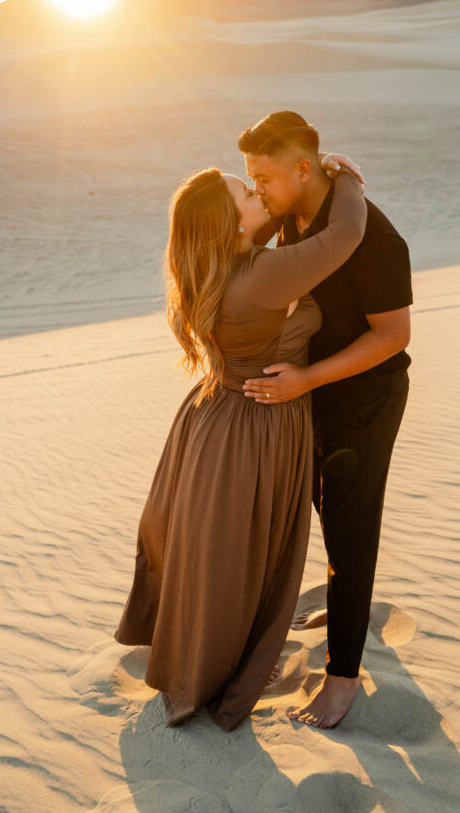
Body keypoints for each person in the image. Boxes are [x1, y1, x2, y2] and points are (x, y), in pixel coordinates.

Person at [112, 157, 367, 731]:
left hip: (212, 418)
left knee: (212, 552)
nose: (258, 194)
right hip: (252, 429)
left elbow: (270, 233)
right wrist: (345, 176)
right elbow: (346, 234)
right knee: (236, 559)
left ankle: (193, 661)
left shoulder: (220, 264)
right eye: (246, 194)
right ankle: (212, 673)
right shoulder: (261, 276)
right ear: (230, 228)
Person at [240, 111, 412, 730]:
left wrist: (307, 379)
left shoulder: (378, 239)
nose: (256, 186)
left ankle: (342, 679)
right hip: (312, 396)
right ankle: (349, 608)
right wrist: (341, 176)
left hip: (366, 399)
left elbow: (393, 336)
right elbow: (239, 224)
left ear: (302, 169)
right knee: (321, 507)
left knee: (350, 528)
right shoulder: (296, 211)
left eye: (262, 175)